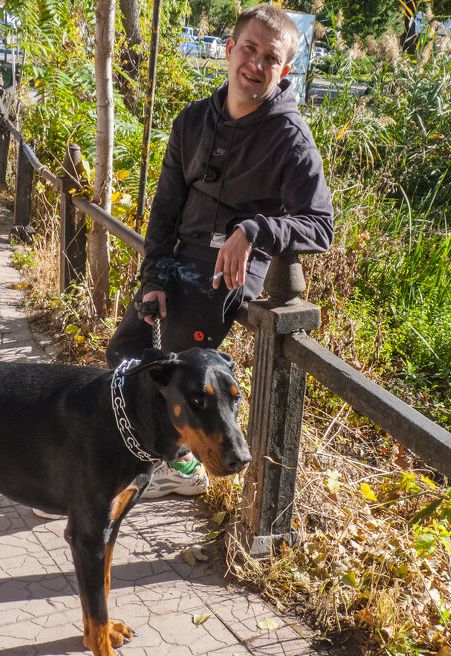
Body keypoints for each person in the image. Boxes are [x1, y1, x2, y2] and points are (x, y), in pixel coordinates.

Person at [107, 4, 334, 498]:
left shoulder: (292, 139)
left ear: (285, 70)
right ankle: (157, 454)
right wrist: (153, 279)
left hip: (229, 271)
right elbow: (165, 211)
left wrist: (257, 229)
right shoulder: (191, 121)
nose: (256, 63)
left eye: (270, 58)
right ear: (230, 50)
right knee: (127, 351)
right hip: (177, 258)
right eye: (248, 49)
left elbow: (320, 226)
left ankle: (158, 465)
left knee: (177, 365)